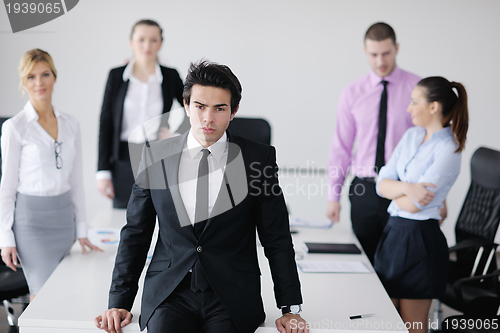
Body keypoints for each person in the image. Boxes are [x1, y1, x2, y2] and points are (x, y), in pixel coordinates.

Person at [94, 60, 308, 333]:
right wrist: (119, 301)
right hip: (169, 293)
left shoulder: (258, 159)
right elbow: (135, 233)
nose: (208, 118)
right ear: (185, 106)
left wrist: (290, 308)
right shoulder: (154, 156)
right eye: (200, 107)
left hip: (231, 295)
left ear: (233, 112)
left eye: (220, 108)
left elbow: (276, 237)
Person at [0, 49, 102, 301]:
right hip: (31, 224)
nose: (39, 82)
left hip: (64, 219)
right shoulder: (15, 127)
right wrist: (6, 238)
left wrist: (82, 229)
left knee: (66, 295)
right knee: (42, 298)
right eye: (31, 77)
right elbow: (8, 185)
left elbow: (76, 181)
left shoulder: (70, 123)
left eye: (45, 74)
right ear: (24, 83)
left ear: (54, 77)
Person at [375, 76, 469, 333]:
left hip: (420, 244)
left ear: (433, 107)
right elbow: (380, 184)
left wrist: (395, 190)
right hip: (393, 235)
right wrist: (407, 188)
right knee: (383, 324)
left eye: (415, 102)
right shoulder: (411, 135)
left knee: (413, 328)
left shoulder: (450, 148)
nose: (409, 108)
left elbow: (415, 206)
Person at [326, 22, 421, 264]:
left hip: (403, 188)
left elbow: (428, 145)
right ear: (365, 52)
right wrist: (333, 196)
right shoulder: (352, 92)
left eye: (386, 53)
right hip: (364, 190)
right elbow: (341, 147)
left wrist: (436, 197)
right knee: (365, 263)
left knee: (399, 264)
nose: (380, 61)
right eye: (374, 54)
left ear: (397, 48)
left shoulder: (418, 89)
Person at [97, 19, 188, 208]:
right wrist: (102, 171)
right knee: (125, 215)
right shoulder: (117, 76)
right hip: (123, 158)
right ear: (131, 43)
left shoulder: (170, 76)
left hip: (158, 156)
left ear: (160, 43)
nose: (147, 45)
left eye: (153, 40)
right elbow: (105, 123)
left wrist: (177, 134)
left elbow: (194, 109)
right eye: (141, 39)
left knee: (160, 213)